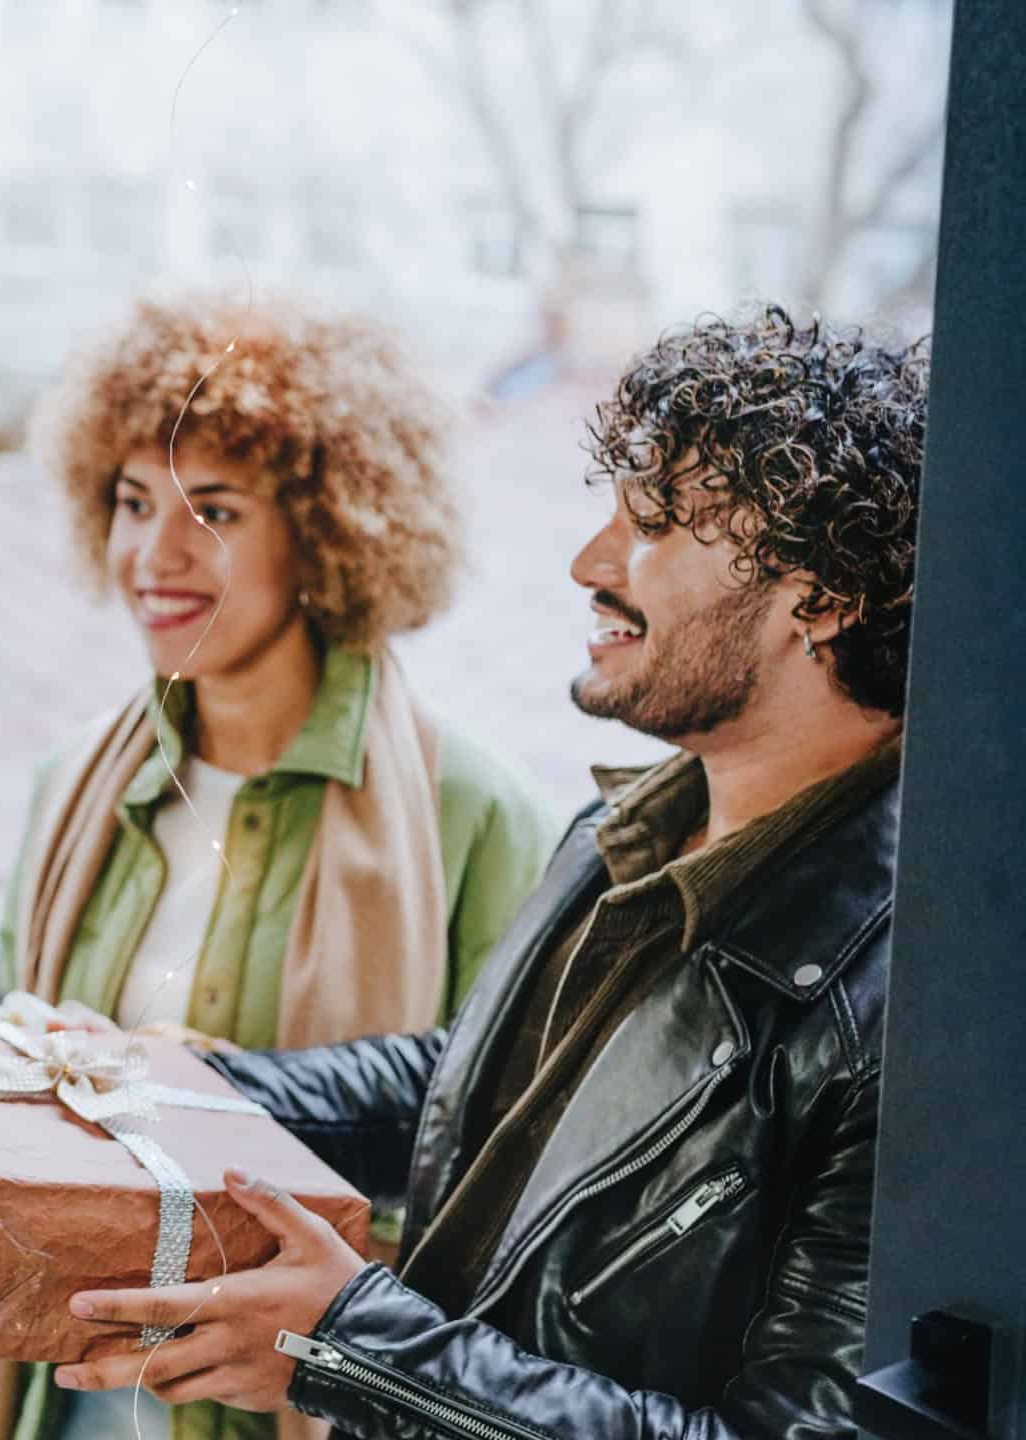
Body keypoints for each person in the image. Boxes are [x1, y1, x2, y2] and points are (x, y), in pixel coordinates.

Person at [51, 307, 924, 1440]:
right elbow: (469, 1088)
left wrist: (357, 1351)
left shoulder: (901, 1010)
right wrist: (180, 1087)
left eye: (652, 524)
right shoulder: (619, 832)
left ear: (827, 596)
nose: (589, 563)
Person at [0, 293, 559, 1440]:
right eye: (131, 501)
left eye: (212, 509)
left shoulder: (475, 808)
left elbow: (501, 1167)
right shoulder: (73, 782)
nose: (153, 553)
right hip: (70, 1387)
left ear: (326, 532)